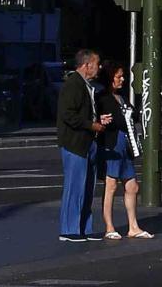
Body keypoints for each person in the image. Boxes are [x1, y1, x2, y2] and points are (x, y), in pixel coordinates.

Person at [56, 48, 108, 242]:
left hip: (88, 142)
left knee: (87, 187)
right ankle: (69, 229)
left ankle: (83, 227)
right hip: (75, 143)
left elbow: (83, 112)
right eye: (97, 63)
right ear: (86, 65)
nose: (99, 67)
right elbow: (67, 114)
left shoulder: (86, 85)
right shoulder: (73, 85)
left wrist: (97, 119)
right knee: (74, 186)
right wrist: (91, 124)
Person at [96, 65, 150, 241]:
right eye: (118, 76)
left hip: (126, 144)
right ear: (110, 78)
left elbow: (132, 116)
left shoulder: (122, 98)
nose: (122, 79)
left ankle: (133, 226)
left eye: (122, 76)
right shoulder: (102, 98)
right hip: (112, 144)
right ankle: (109, 226)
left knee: (132, 186)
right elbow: (103, 119)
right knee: (111, 185)